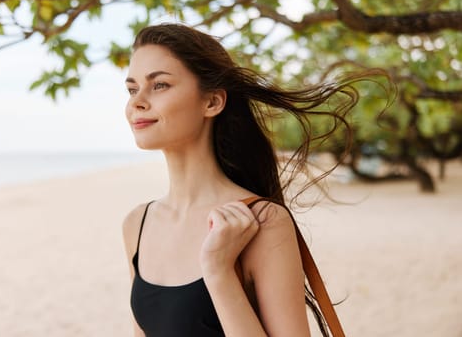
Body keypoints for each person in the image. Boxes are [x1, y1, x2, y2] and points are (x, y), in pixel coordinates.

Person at [122, 23, 380, 337]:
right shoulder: (137, 225)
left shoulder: (262, 221)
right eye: (132, 89)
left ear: (213, 102)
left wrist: (219, 271)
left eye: (159, 85)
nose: (137, 102)